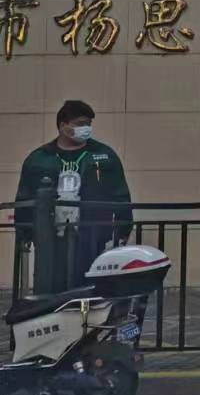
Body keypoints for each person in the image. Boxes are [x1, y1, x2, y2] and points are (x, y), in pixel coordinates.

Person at [13, 100, 133, 292]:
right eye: (80, 124)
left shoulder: (104, 155)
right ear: (63, 126)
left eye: (89, 124)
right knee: (50, 285)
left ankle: (86, 312)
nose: (86, 128)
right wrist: (24, 232)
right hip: (50, 237)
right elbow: (24, 198)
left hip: (92, 235)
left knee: (89, 287)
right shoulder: (39, 158)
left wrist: (123, 228)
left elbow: (120, 195)